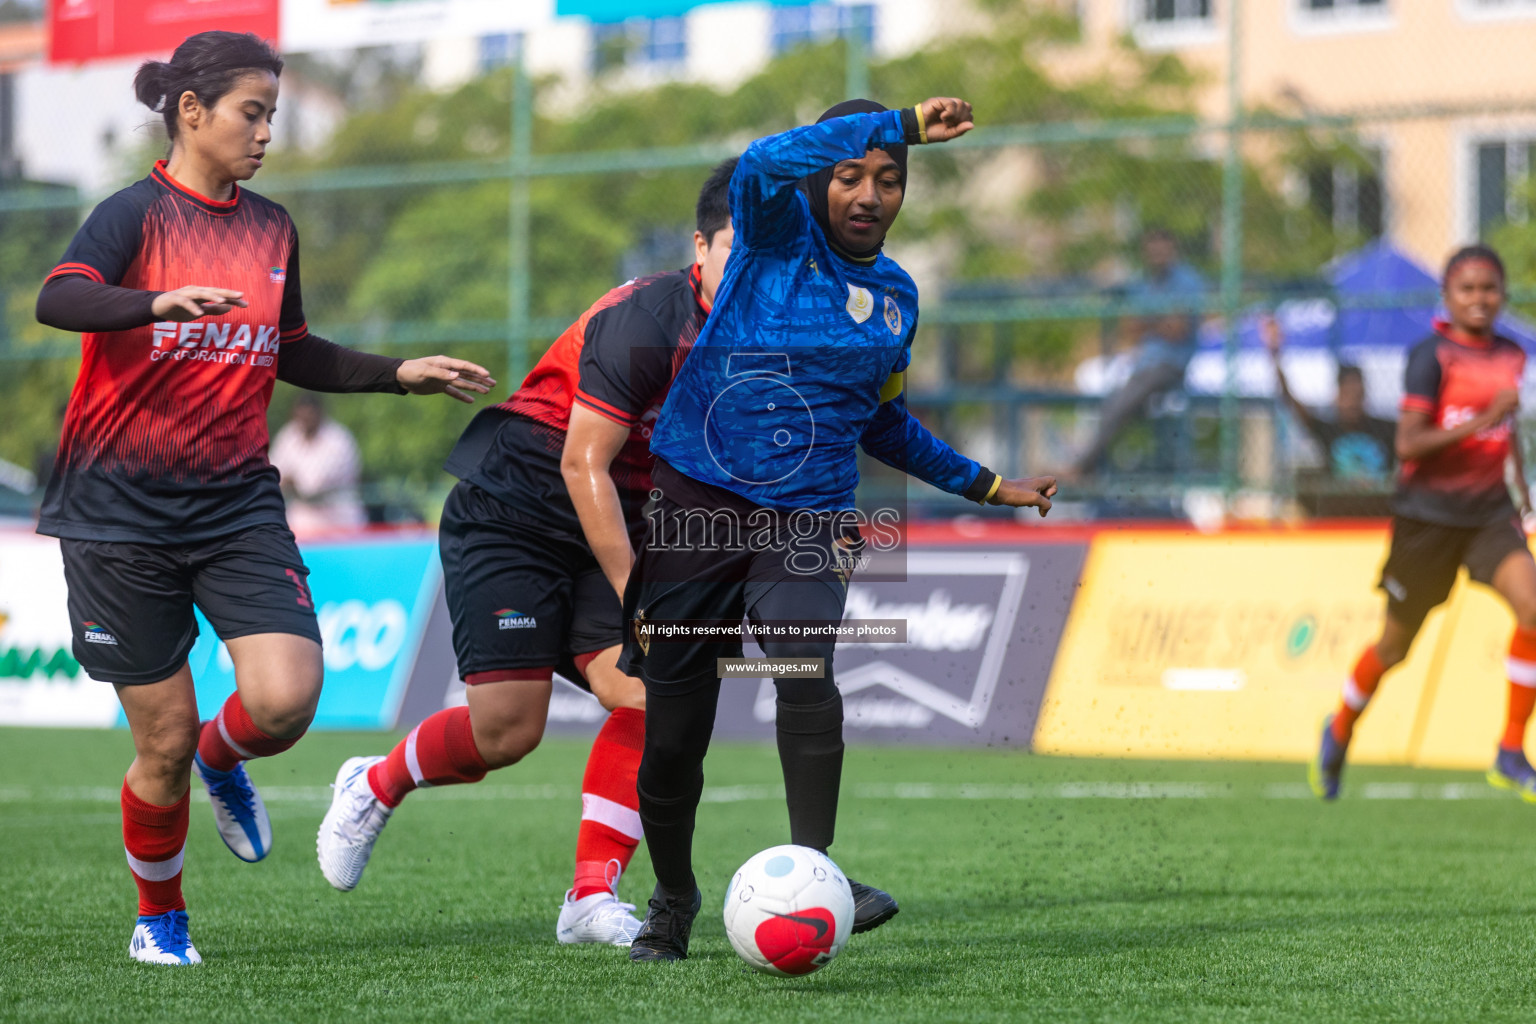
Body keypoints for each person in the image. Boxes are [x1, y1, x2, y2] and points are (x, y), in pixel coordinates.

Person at [33, 31, 495, 966]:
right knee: (156, 743)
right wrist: (152, 303)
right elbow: (60, 297)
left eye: (273, 116)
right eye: (254, 113)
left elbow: (293, 348)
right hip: (118, 515)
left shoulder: (271, 226)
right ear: (191, 112)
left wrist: (396, 374)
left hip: (236, 502)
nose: (266, 133)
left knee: (285, 702)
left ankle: (222, 758)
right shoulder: (132, 214)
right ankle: (159, 920)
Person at [618, 97, 1058, 962]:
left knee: (798, 658)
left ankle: (813, 871)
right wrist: (893, 122)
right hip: (699, 500)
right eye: (851, 174)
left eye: (888, 178)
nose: (870, 193)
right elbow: (757, 161)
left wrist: (989, 484)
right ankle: (671, 899)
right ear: (820, 179)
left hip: (811, 517)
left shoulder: (897, 299)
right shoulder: (775, 236)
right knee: (675, 726)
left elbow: (883, 424)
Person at [315, 160, 739, 947]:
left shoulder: (764, 336)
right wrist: (642, 593)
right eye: (733, 252)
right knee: (506, 734)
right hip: (517, 509)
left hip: (622, 516)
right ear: (699, 247)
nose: (750, 273)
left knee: (655, 698)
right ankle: (375, 782)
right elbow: (585, 466)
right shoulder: (650, 318)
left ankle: (588, 897)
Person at [1311, 245, 1536, 801]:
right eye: (1468, 289)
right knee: (1395, 647)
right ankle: (1340, 727)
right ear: (1447, 297)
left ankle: (1510, 750)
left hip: (1488, 516)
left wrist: (1524, 497)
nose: (1480, 298)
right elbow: (1409, 443)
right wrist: (1483, 418)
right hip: (1427, 520)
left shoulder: (1511, 354)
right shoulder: (1431, 357)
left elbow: (1504, 438)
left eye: (1490, 288)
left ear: (1502, 294)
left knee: (1534, 607)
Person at [1072, 227, 1208, 477]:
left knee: (1124, 401)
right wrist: (1159, 321)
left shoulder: (1188, 281)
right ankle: (1096, 468)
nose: (1156, 254)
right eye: (1151, 249)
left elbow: (1178, 329)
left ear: (1172, 249)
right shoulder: (1142, 283)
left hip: (1171, 365)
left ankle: (1083, 467)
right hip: (1143, 364)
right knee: (1116, 401)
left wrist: (1149, 322)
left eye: (1161, 248)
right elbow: (1130, 327)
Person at [1262, 315, 1397, 515]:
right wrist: (1275, 355)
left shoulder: (1386, 429)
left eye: (1357, 395)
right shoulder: (1328, 429)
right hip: (1338, 516)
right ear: (1337, 396)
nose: (1352, 402)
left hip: (1377, 517)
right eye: (1347, 395)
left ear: (1365, 396)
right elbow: (1290, 400)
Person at [269, 394, 367, 535]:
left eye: (309, 413)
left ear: (319, 412)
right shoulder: (288, 436)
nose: (305, 418)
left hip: (340, 524)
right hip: (302, 524)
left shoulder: (338, 439)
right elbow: (273, 476)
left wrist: (290, 481)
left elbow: (313, 488)